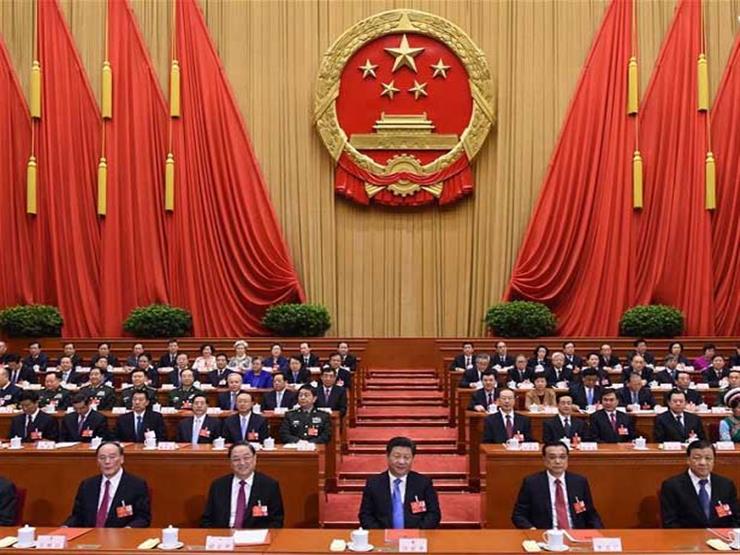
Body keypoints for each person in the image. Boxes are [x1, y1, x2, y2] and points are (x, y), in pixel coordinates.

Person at [512, 442, 603, 529]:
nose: (558, 461)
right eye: (552, 457)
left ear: (567, 459)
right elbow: (519, 515)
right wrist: (533, 530)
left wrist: (600, 533)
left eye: (562, 457)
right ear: (544, 460)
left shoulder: (579, 482)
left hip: (575, 534)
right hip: (545, 534)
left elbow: (590, 514)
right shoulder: (532, 483)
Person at [358, 436, 441, 529]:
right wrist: (381, 534)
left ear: (413, 458)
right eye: (397, 456)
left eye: (406, 457)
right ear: (388, 456)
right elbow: (365, 516)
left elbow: (434, 514)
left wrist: (416, 533)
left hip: (416, 536)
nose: (401, 461)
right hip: (382, 535)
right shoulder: (374, 484)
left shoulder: (423, 483)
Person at [64, 441, 151, 527]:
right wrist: (66, 527)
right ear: (97, 461)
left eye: (112, 457)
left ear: (121, 459)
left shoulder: (136, 485)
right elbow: (77, 516)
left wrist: (127, 530)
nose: (107, 461)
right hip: (91, 534)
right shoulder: (87, 485)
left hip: (121, 534)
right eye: (102, 458)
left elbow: (143, 518)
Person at [201, 442, 284, 528]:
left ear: (255, 459)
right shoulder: (218, 485)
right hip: (224, 534)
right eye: (236, 459)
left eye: (246, 458)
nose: (242, 463)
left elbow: (276, 521)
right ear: (230, 462)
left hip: (255, 534)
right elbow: (206, 520)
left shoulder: (269, 485)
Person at [660, 440, 739, 528]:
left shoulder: (726, 485)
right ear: (688, 460)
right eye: (697, 458)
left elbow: (736, 519)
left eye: (708, 458)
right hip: (687, 536)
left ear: (714, 461)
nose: (703, 463)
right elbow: (670, 523)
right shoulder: (672, 486)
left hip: (722, 536)